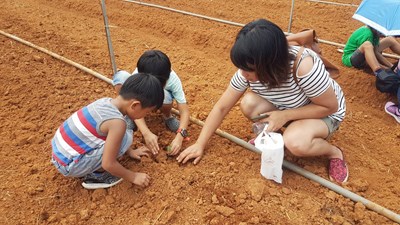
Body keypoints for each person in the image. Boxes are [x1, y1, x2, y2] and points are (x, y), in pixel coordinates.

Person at [177, 19, 349, 184]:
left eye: (249, 70)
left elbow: (329, 106)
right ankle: (280, 137)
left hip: (322, 112)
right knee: (249, 103)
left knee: (296, 142)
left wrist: (284, 115)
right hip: (287, 107)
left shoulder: (303, 67)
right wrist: (200, 144)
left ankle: (333, 153)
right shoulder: (248, 69)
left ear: (269, 64)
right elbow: (222, 107)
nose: (243, 74)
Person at [51, 74, 164, 189]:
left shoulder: (106, 102)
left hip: (60, 153)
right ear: (135, 105)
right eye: (147, 112)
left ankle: (88, 165)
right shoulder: (117, 124)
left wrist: (130, 151)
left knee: (121, 137)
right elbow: (108, 164)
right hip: (69, 165)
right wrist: (133, 176)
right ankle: (97, 176)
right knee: (126, 138)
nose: (146, 115)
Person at [113, 50, 190, 156]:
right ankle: (128, 114)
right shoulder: (138, 77)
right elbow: (136, 103)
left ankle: (167, 117)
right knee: (121, 77)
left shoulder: (172, 80)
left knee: (166, 97)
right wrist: (146, 132)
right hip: (136, 102)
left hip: (155, 100)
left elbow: (184, 111)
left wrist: (180, 136)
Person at [342, 26, 400, 123]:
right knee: (367, 45)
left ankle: (386, 69)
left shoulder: (375, 33)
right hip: (351, 59)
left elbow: (376, 52)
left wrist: (390, 67)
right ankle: (378, 72)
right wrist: (385, 68)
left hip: (365, 55)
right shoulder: (368, 34)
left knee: (390, 40)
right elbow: (370, 56)